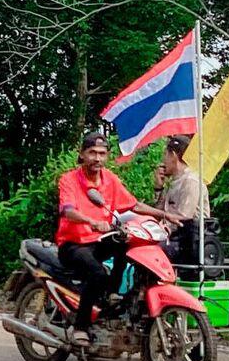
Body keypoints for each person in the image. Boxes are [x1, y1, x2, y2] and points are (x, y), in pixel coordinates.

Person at [56, 132, 182, 346]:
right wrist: (92, 221)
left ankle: (114, 295)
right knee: (97, 273)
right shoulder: (69, 180)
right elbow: (67, 210)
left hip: (99, 240)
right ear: (82, 154)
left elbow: (134, 205)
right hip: (73, 244)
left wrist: (164, 215)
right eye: (92, 153)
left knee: (128, 244)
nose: (97, 158)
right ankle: (81, 326)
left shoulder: (110, 179)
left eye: (102, 154)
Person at [153, 135, 210, 220]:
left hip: (188, 228)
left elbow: (183, 219)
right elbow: (157, 215)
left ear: (173, 155)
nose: (163, 160)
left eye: (165, 155)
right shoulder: (172, 180)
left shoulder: (191, 181)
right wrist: (158, 189)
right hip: (167, 228)